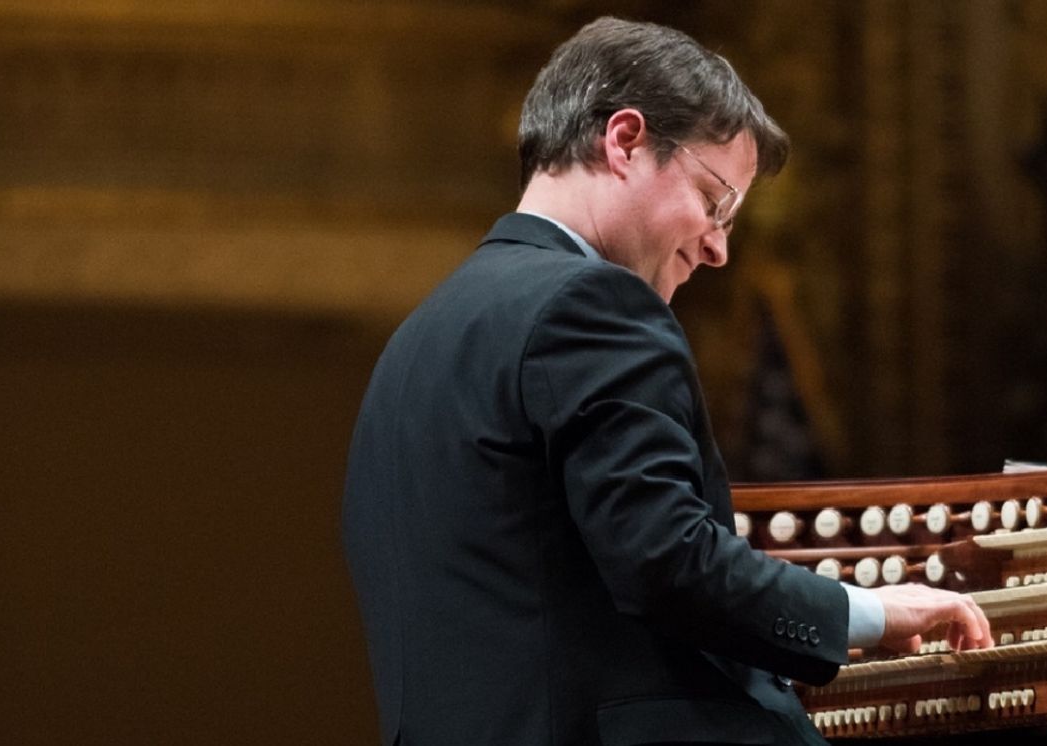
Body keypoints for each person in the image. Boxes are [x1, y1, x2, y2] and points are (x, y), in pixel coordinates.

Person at [342, 17, 991, 746]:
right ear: (624, 141)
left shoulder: (417, 342)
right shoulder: (589, 303)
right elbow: (668, 559)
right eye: (716, 202)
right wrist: (866, 614)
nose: (717, 248)